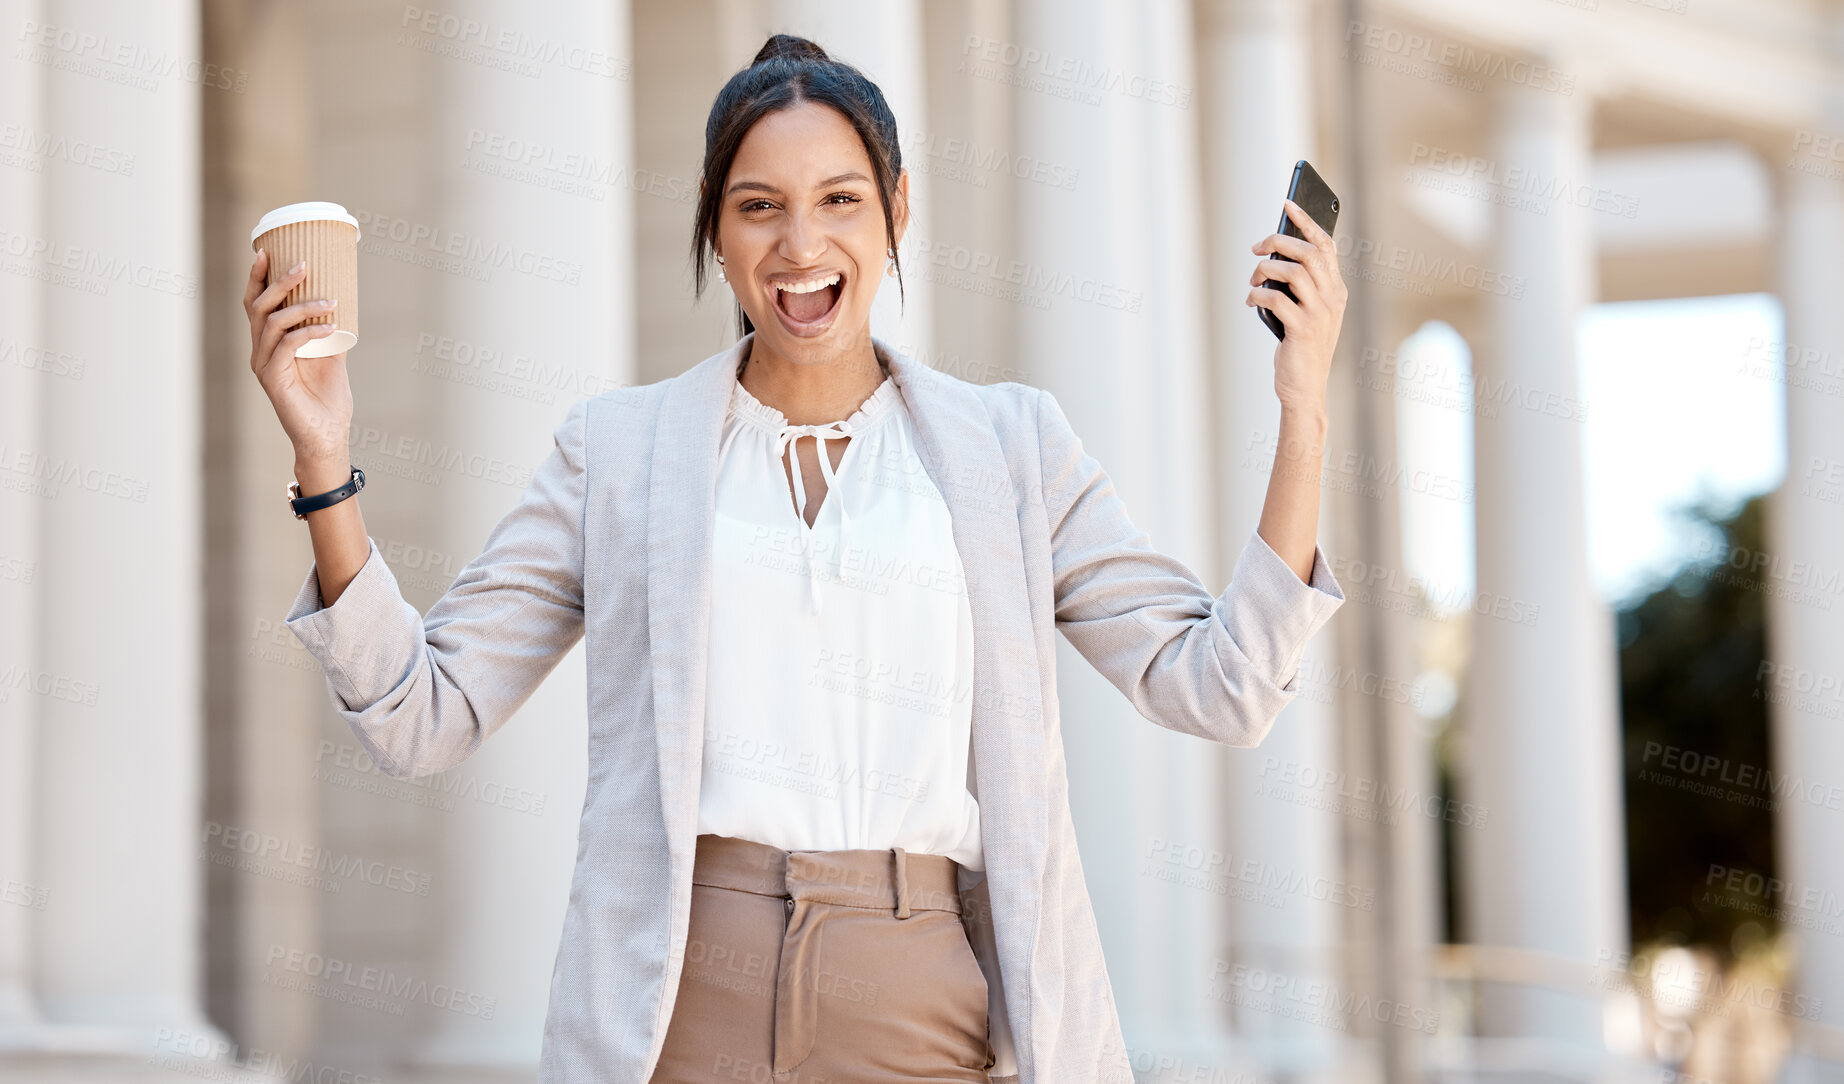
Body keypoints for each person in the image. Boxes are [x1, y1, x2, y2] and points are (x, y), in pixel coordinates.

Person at [244, 32, 1348, 1084]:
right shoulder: (616, 453)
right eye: (757, 207)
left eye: (839, 201)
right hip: (682, 1009)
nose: (800, 246)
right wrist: (324, 456)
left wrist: (1300, 415)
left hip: (919, 1002)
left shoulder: (1012, 449)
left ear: (897, 211)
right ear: (715, 232)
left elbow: (1223, 685)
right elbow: (419, 712)